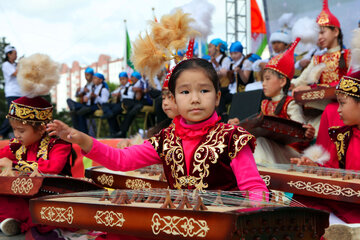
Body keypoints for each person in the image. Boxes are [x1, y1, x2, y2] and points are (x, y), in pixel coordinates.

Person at [47, 58, 268, 199]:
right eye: (185, 92)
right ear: (173, 99)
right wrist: (81, 139)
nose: (194, 99)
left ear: (218, 97)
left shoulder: (232, 138)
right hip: (176, 223)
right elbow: (122, 160)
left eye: (204, 91)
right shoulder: (166, 139)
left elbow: (254, 189)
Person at [0, 53, 73, 236]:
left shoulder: (59, 144)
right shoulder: (18, 144)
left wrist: (14, 165)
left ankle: (17, 220)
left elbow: (54, 167)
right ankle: (14, 220)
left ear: (41, 129)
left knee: (40, 208)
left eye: (21, 131)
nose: (16, 135)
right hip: (26, 197)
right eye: (14, 130)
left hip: (53, 197)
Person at [290, 67, 360, 224]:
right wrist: (314, 165)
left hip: (356, 206)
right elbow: (332, 168)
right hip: (346, 199)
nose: (339, 110)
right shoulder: (343, 135)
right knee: (302, 197)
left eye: (342, 103)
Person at [228, 38, 315, 164]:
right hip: (273, 150)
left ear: (282, 81)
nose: (263, 83)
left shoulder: (290, 104)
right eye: (263, 79)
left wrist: (307, 132)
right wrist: (240, 124)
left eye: (268, 79)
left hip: (291, 155)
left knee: (261, 142)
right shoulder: (265, 104)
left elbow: (300, 132)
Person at [102, 72, 135, 136]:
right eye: (120, 79)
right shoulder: (120, 87)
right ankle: (109, 114)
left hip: (125, 104)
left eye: (123, 79)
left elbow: (130, 96)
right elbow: (112, 93)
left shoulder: (131, 87)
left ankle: (114, 131)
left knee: (113, 111)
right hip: (118, 103)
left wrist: (121, 95)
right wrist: (114, 94)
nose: (122, 81)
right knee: (105, 105)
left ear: (127, 79)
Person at [0, 46, 23, 139]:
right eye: (14, 53)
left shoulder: (15, 64)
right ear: (8, 54)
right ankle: (1, 133)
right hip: (12, 93)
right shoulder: (6, 64)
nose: (16, 55)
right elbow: (15, 73)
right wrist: (20, 64)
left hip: (20, 93)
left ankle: (17, 133)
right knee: (12, 114)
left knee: (20, 115)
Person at [66, 67, 95, 133]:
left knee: (79, 112)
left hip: (90, 106)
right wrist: (78, 91)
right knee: (69, 101)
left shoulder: (95, 85)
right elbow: (77, 95)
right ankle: (78, 132)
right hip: (83, 105)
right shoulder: (86, 86)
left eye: (88, 75)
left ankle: (83, 133)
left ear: (92, 75)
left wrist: (88, 92)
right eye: (85, 75)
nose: (86, 77)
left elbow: (95, 94)